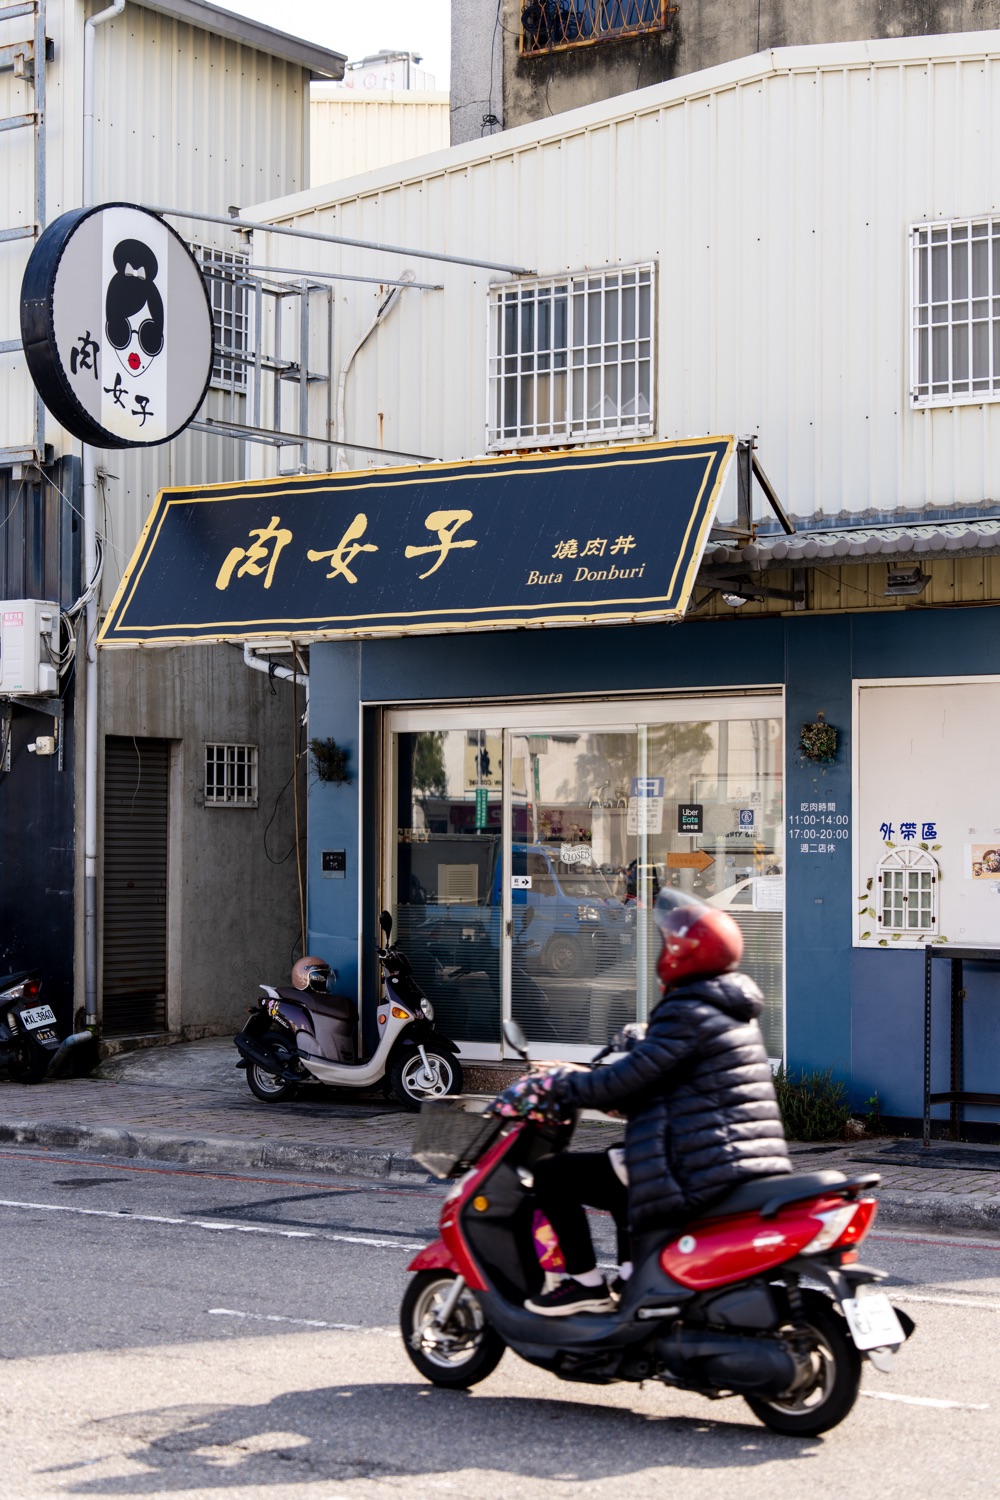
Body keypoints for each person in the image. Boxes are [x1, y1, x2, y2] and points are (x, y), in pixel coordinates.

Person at [521, 890, 790, 1317]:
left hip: (696, 1164)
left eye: (668, 944)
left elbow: (627, 1079)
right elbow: (678, 1084)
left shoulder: (687, 1010)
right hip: (735, 1161)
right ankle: (632, 1276)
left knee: (553, 1174)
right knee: (623, 1161)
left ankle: (584, 1284)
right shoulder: (729, 1011)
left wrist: (564, 1081)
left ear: (682, 954)